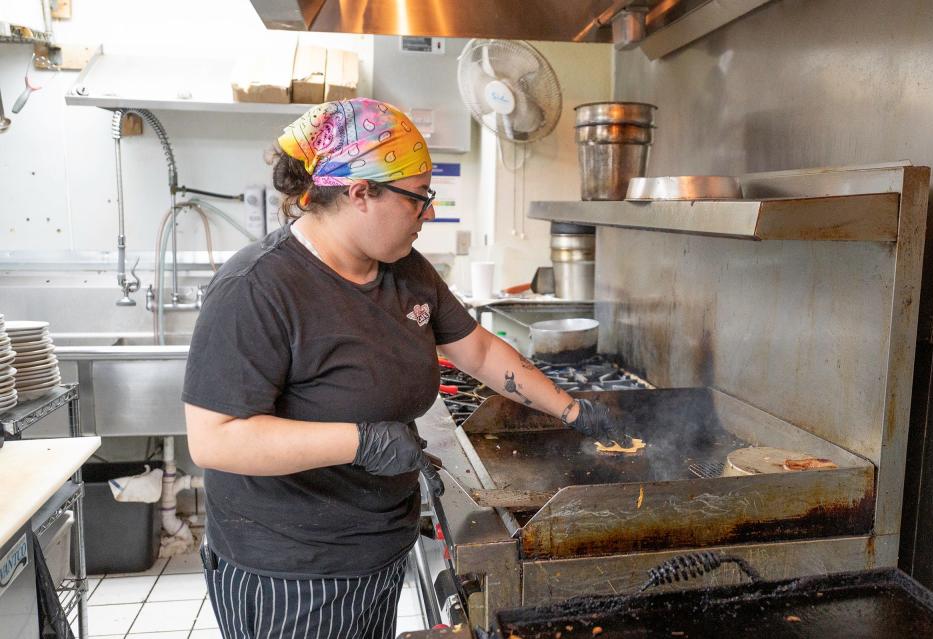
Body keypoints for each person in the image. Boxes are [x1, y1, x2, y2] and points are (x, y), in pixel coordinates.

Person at [181, 97, 629, 639]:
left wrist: (571, 408)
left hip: (380, 542)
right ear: (360, 192)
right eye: (419, 198)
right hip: (294, 569)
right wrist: (360, 442)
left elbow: (479, 351)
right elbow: (217, 440)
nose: (430, 213)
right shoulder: (257, 288)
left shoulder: (407, 271)